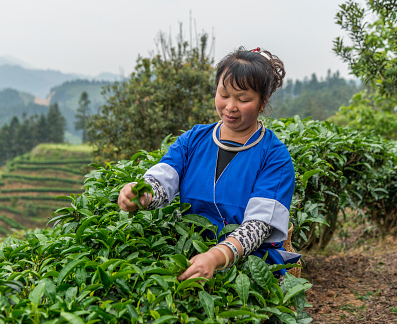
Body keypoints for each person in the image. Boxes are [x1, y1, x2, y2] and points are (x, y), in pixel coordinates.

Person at [118, 47, 299, 280]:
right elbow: (162, 180)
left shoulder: (274, 156)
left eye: (243, 99)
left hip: (252, 269)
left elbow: (258, 226)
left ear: (262, 102)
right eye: (224, 95)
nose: (230, 106)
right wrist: (141, 195)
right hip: (191, 256)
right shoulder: (193, 140)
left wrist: (216, 256)